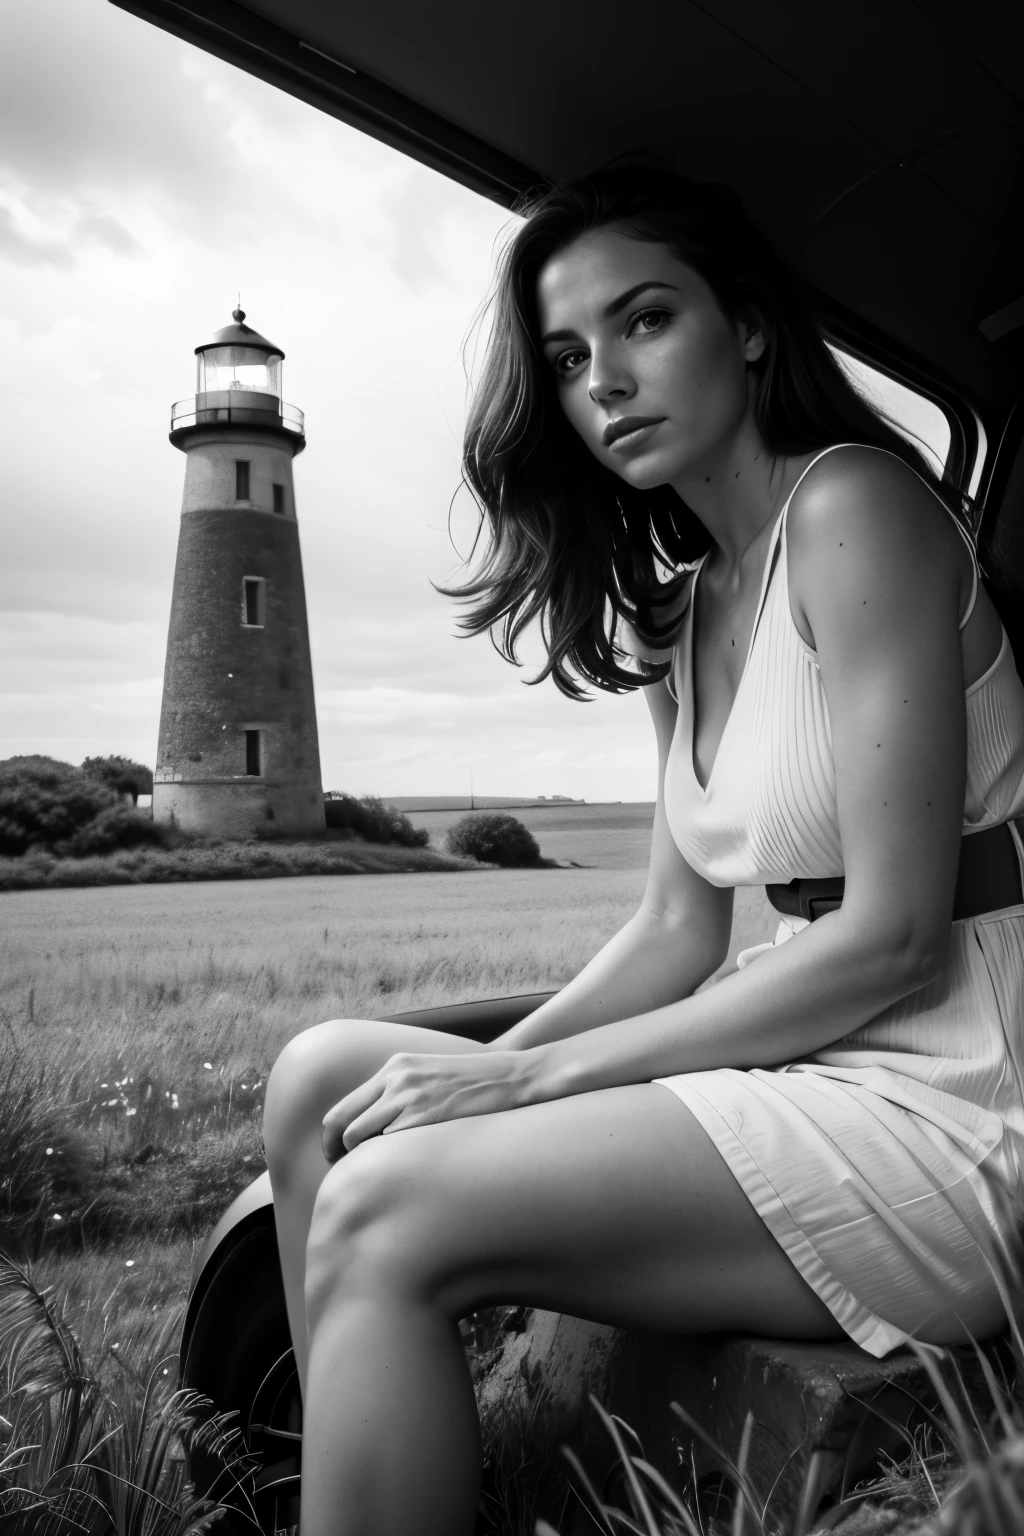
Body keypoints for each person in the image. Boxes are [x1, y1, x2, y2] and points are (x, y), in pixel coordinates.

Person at [261, 163, 1024, 1536]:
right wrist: (493, 1077)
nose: (604, 379)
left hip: (959, 1096)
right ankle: (397, 1482)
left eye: (645, 320)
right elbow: (678, 935)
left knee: (386, 1209)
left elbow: (900, 935)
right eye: (566, 356)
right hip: (810, 1061)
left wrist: (527, 1084)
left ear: (743, 325)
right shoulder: (679, 615)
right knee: (321, 1080)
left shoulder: (858, 510)